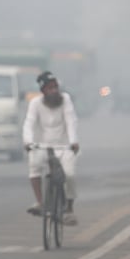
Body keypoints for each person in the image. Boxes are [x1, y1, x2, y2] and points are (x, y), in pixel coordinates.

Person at [22, 71, 80, 224]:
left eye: (55, 87)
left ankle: (69, 209)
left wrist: (74, 141)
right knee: (34, 165)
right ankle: (40, 202)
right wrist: (28, 142)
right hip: (42, 146)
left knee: (69, 175)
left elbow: (71, 121)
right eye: (50, 88)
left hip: (64, 147)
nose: (54, 91)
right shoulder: (35, 103)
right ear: (43, 91)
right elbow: (29, 123)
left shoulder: (66, 100)